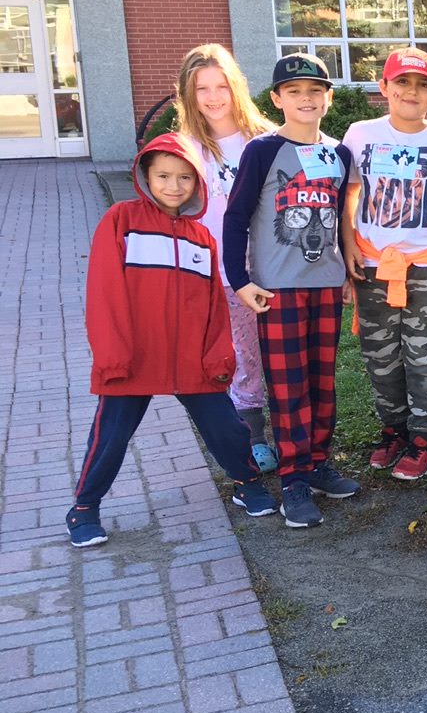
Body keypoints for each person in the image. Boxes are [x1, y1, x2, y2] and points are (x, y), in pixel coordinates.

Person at [69, 134, 275, 546]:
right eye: (163, 175)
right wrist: (112, 356)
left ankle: (246, 483)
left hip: (192, 360)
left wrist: (218, 357)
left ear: (197, 184)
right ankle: (85, 508)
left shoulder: (202, 238)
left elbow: (214, 305)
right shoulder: (121, 221)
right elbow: (104, 293)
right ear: (146, 176)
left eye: (184, 177)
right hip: (133, 356)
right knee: (110, 435)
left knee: (227, 428)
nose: (173, 186)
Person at [222, 53, 359, 528]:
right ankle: (294, 480)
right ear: (277, 99)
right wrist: (240, 281)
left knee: (322, 380)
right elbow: (236, 217)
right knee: (288, 386)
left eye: (315, 91)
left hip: (325, 284)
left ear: (328, 98)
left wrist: (345, 274)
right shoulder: (262, 151)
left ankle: (318, 462)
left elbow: (341, 218)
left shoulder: (340, 153)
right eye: (295, 91)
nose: (307, 99)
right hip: (277, 289)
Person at [340, 48, 427, 481]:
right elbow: (346, 199)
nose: (411, 92)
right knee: (380, 357)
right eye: (402, 82)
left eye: (422, 84)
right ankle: (393, 430)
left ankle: (424, 437)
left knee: (424, 356)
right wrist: (348, 254)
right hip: (373, 265)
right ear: (384, 87)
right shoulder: (360, 134)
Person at [171, 43, 277, 470]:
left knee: (282, 352)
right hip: (217, 271)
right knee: (242, 354)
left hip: (271, 264)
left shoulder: (265, 138)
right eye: (202, 89)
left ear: (236, 88)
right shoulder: (184, 147)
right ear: (188, 94)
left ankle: (298, 430)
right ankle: (253, 435)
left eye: (221, 86)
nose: (213, 97)